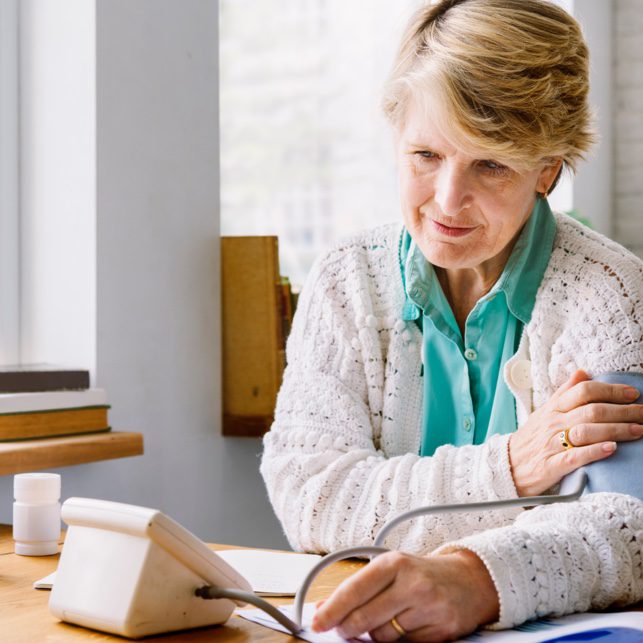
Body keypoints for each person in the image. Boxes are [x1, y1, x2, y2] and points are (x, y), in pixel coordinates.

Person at [260, 0, 643, 639]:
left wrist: (471, 581)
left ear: (547, 168)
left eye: (489, 164)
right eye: (425, 155)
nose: (446, 200)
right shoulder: (346, 280)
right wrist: (512, 468)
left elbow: (626, 525)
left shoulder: (609, 293)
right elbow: (311, 495)